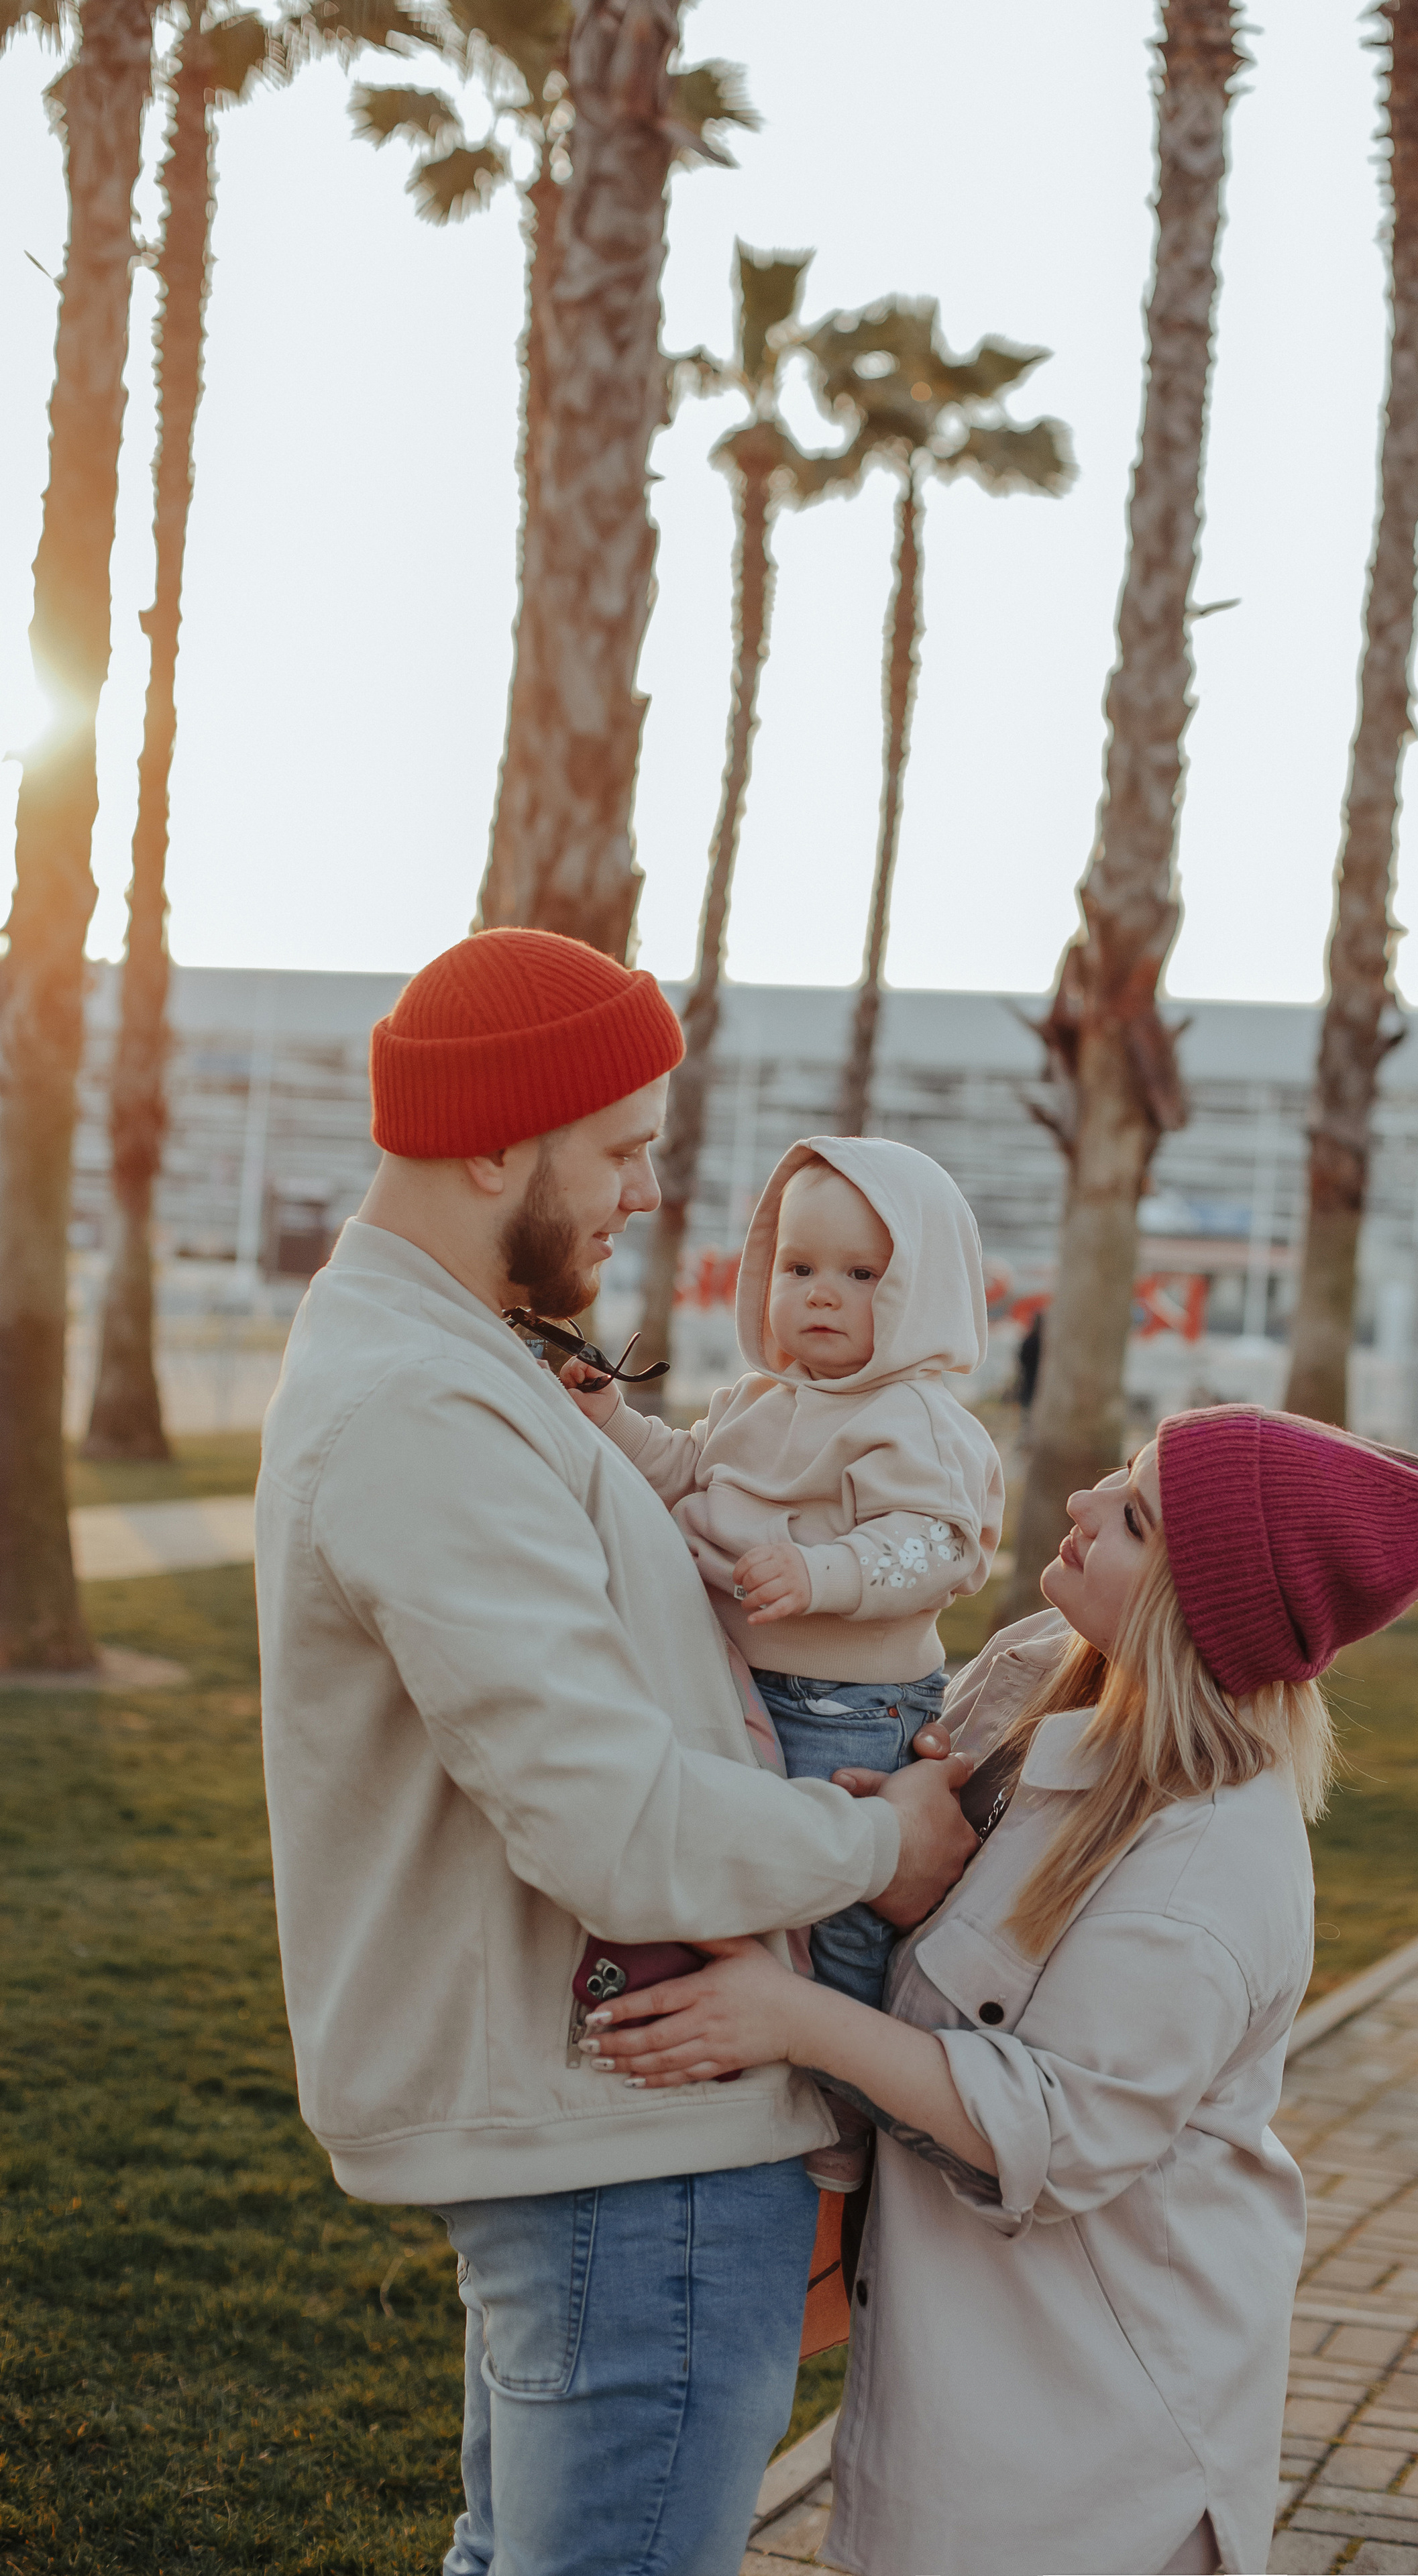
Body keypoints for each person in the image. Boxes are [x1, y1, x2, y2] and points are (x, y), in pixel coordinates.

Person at [253, 928, 977, 2576]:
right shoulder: (422, 1408)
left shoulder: (450, 1364)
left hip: (606, 2125)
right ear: (497, 1138)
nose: (651, 1193)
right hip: (628, 2147)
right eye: (625, 1148)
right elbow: (613, 1826)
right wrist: (883, 1850)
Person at [584, 1404, 1418, 2575]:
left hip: (1094, 2424)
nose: (1081, 1505)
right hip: (980, 2380)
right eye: (1120, 1474)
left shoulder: (1207, 1877)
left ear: (1194, 1606)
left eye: (1134, 1516)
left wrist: (793, 2014)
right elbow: (975, 1935)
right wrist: (900, 1872)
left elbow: (1054, 2137)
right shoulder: (1034, 1681)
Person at [565, 1136, 1004, 2191]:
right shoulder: (763, 1403)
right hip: (736, 1681)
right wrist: (612, 1417)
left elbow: (941, 1545)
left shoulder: (917, 1423)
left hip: (845, 1706)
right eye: (800, 1268)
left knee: (838, 1904)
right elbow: (687, 1477)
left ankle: (848, 2103)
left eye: (862, 1277)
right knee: (746, 1876)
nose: (821, 1298)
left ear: (922, 1291)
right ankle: (737, 2034)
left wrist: (827, 1575)